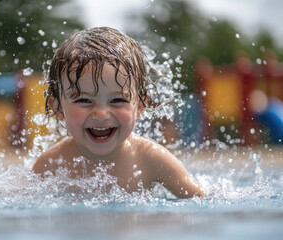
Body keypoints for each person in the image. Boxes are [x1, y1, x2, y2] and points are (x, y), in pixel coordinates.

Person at [33, 27, 205, 198]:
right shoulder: (52, 164)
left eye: (117, 100)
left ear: (140, 104)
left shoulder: (151, 159)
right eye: (83, 100)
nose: (101, 114)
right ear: (58, 108)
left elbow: (202, 200)